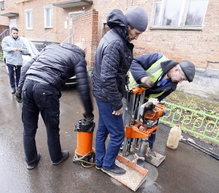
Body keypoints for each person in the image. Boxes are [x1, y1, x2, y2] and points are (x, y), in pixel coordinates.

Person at [15, 42, 94, 170]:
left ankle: (31, 160)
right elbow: (83, 87)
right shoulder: (78, 57)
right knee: (52, 128)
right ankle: (56, 157)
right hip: (46, 89)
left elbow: (25, 68)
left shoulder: (50, 48)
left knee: (28, 128)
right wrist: (88, 111)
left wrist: (19, 90)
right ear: (82, 49)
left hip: (28, 85)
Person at [92, 7, 148, 175]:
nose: (136, 37)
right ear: (127, 25)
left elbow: (108, 68)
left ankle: (100, 161)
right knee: (117, 134)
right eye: (136, 32)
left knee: (103, 129)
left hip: (101, 93)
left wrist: (123, 71)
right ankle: (108, 165)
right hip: (108, 96)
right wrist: (116, 104)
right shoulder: (116, 42)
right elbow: (107, 77)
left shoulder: (111, 35)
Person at [128, 53, 195, 156]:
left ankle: (148, 147)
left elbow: (158, 98)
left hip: (146, 98)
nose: (180, 82)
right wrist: (142, 77)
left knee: (153, 120)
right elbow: (133, 62)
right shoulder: (157, 59)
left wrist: (150, 109)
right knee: (128, 119)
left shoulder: (172, 85)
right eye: (182, 78)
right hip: (131, 92)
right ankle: (125, 144)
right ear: (176, 70)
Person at [2, 27, 28, 94]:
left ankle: (18, 88)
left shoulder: (21, 40)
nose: (15, 34)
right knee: (11, 74)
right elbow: (4, 47)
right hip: (10, 60)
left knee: (18, 75)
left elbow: (25, 50)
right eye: (14, 33)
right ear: (11, 33)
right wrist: (11, 49)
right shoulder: (6, 39)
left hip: (18, 61)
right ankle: (13, 88)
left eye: (16, 33)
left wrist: (21, 50)